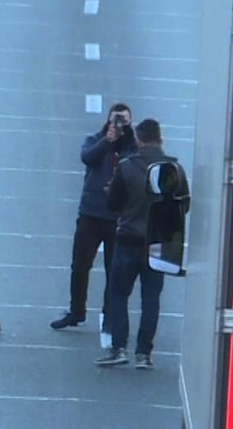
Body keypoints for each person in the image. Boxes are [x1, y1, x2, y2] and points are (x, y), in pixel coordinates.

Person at [99, 118, 190, 369]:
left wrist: (112, 193)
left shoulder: (127, 167)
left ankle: (119, 348)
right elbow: (185, 204)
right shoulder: (174, 168)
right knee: (151, 299)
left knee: (118, 294)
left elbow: (112, 204)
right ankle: (144, 353)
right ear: (160, 139)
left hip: (128, 239)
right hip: (157, 243)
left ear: (139, 140)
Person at [54, 103, 134, 331]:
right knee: (80, 265)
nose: (120, 125)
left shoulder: (132, 146)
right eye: (116, 120)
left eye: (125, 121)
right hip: (91, 212)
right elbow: (87, 157)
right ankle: (76, 311)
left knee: (114, 269)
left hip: (117, 217)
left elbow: (135, 167)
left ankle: (110, 313)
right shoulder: (96, 139)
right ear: (108, 121)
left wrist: (125, 141)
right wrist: (106, 141)